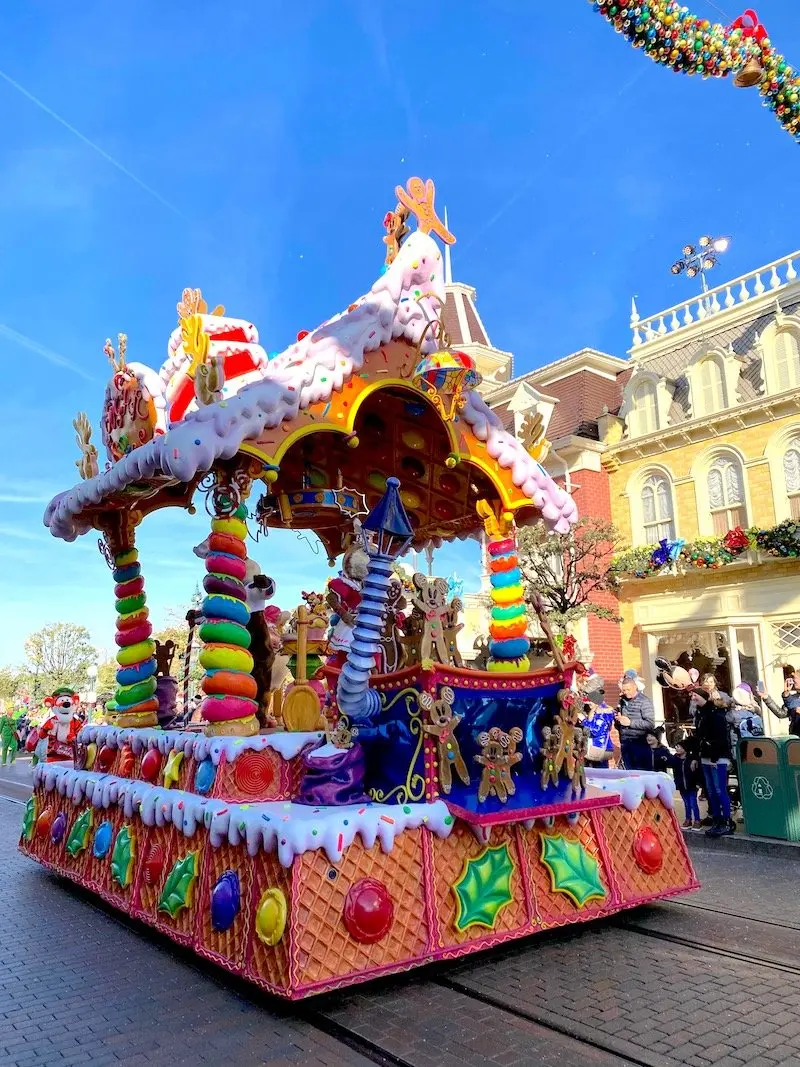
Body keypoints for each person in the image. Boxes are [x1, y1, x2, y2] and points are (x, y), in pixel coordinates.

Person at [694, 691, 735, 837]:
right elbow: (699, 736)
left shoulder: (716, 715)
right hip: (706, 756)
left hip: (717, 757)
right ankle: (716, 820)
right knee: (711, 790)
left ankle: (726, 821)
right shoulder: (701, 714)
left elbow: (721, 737)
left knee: (719, 790)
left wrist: (714, 755)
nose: (693, 698)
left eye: (695, 696)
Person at [616, 673, 656, 770]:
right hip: (625, 744)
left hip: (640, 744)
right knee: (629, 775)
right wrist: (618, 721)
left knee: (642, 774)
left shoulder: (644, 701)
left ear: (635, 687)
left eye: (628, 690)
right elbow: (622, 722)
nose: (626, 692)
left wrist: (630, 723)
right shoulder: (622, 701)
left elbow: (650, 724)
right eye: (624, 690)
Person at [580, 678, 615, 767]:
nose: (588, 702)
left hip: (599, 748)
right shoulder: (595, 709)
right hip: (595, 748)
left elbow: (596, 731)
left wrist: (583, 721)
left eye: (590, 699)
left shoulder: (603, 712)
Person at [669, 738, 702, 829]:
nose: (677, 748)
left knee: (693, 803)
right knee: (686, 803)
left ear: (685, 749)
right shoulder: (675, 759)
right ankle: (688, 819)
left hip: (691, 785)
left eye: (679, 747)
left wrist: (698, 783)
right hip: (682, 786)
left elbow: (698, 772)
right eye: (676, 747)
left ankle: (697, 820)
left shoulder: (692, 760)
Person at [758, 670, 800, 736]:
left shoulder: (791, 700)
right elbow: (781, 713)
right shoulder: (793, 699)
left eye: (796, 677)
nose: (793, 680)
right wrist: (766, 698)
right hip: (795, 739)